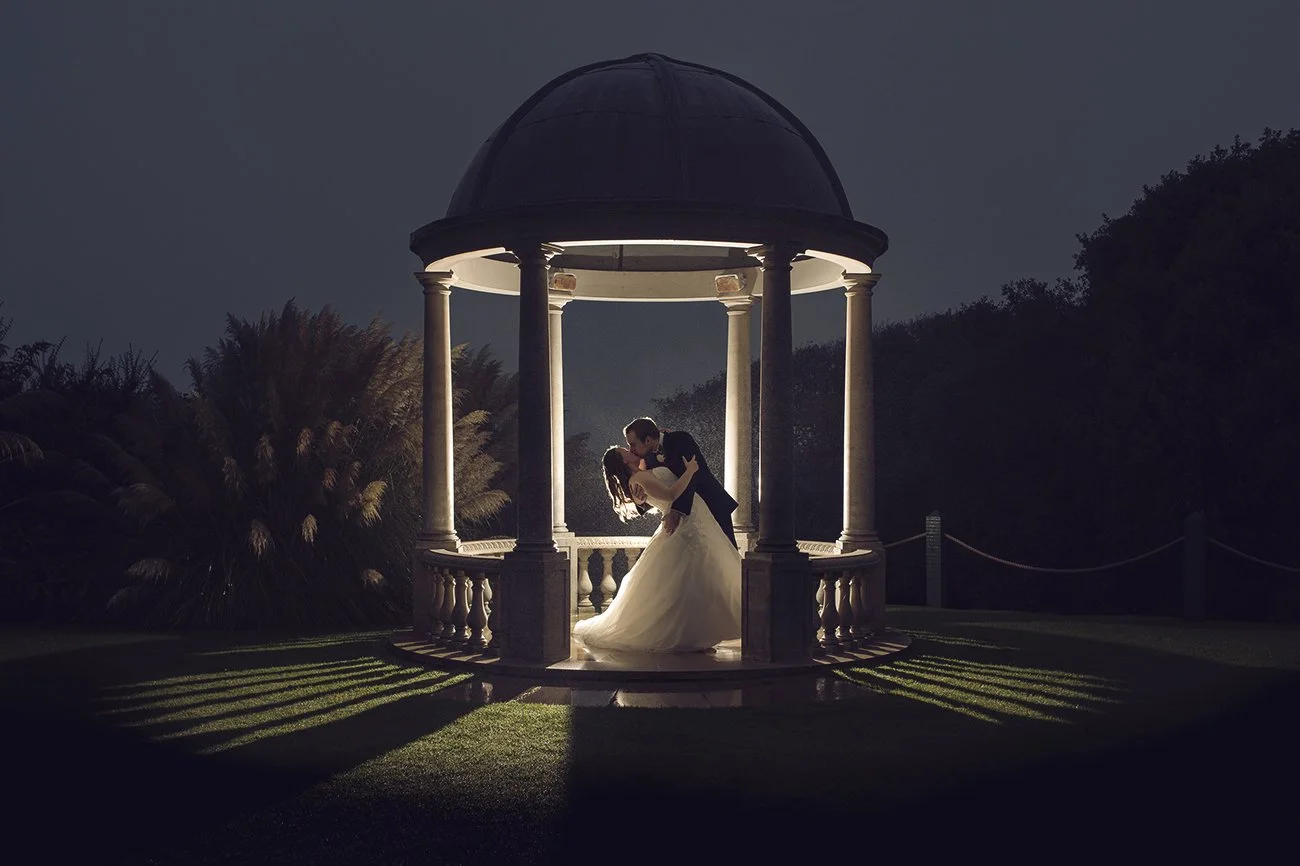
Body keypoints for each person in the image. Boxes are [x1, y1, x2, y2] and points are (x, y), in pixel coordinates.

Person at [572, 439, 742, 653]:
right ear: (624, 460)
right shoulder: (640, 477)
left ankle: (694, 634)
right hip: (686, 524)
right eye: (626, 450)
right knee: (691, 580)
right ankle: (688, 635)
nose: (631, 449)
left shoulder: (643, 473)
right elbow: (671, 495)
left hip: (694, 520)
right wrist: (689, 471)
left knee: (693, 581)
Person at [624, 417, 739, 548]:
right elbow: (659, 490)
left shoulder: (681, 439)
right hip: (687, 521)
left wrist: (676, 510)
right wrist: (641, 501)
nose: (630, 449)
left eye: (633, 444)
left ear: (648, 440)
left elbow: (695, 474)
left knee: (727, 555)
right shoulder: (646, 458)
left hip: (711, 505)